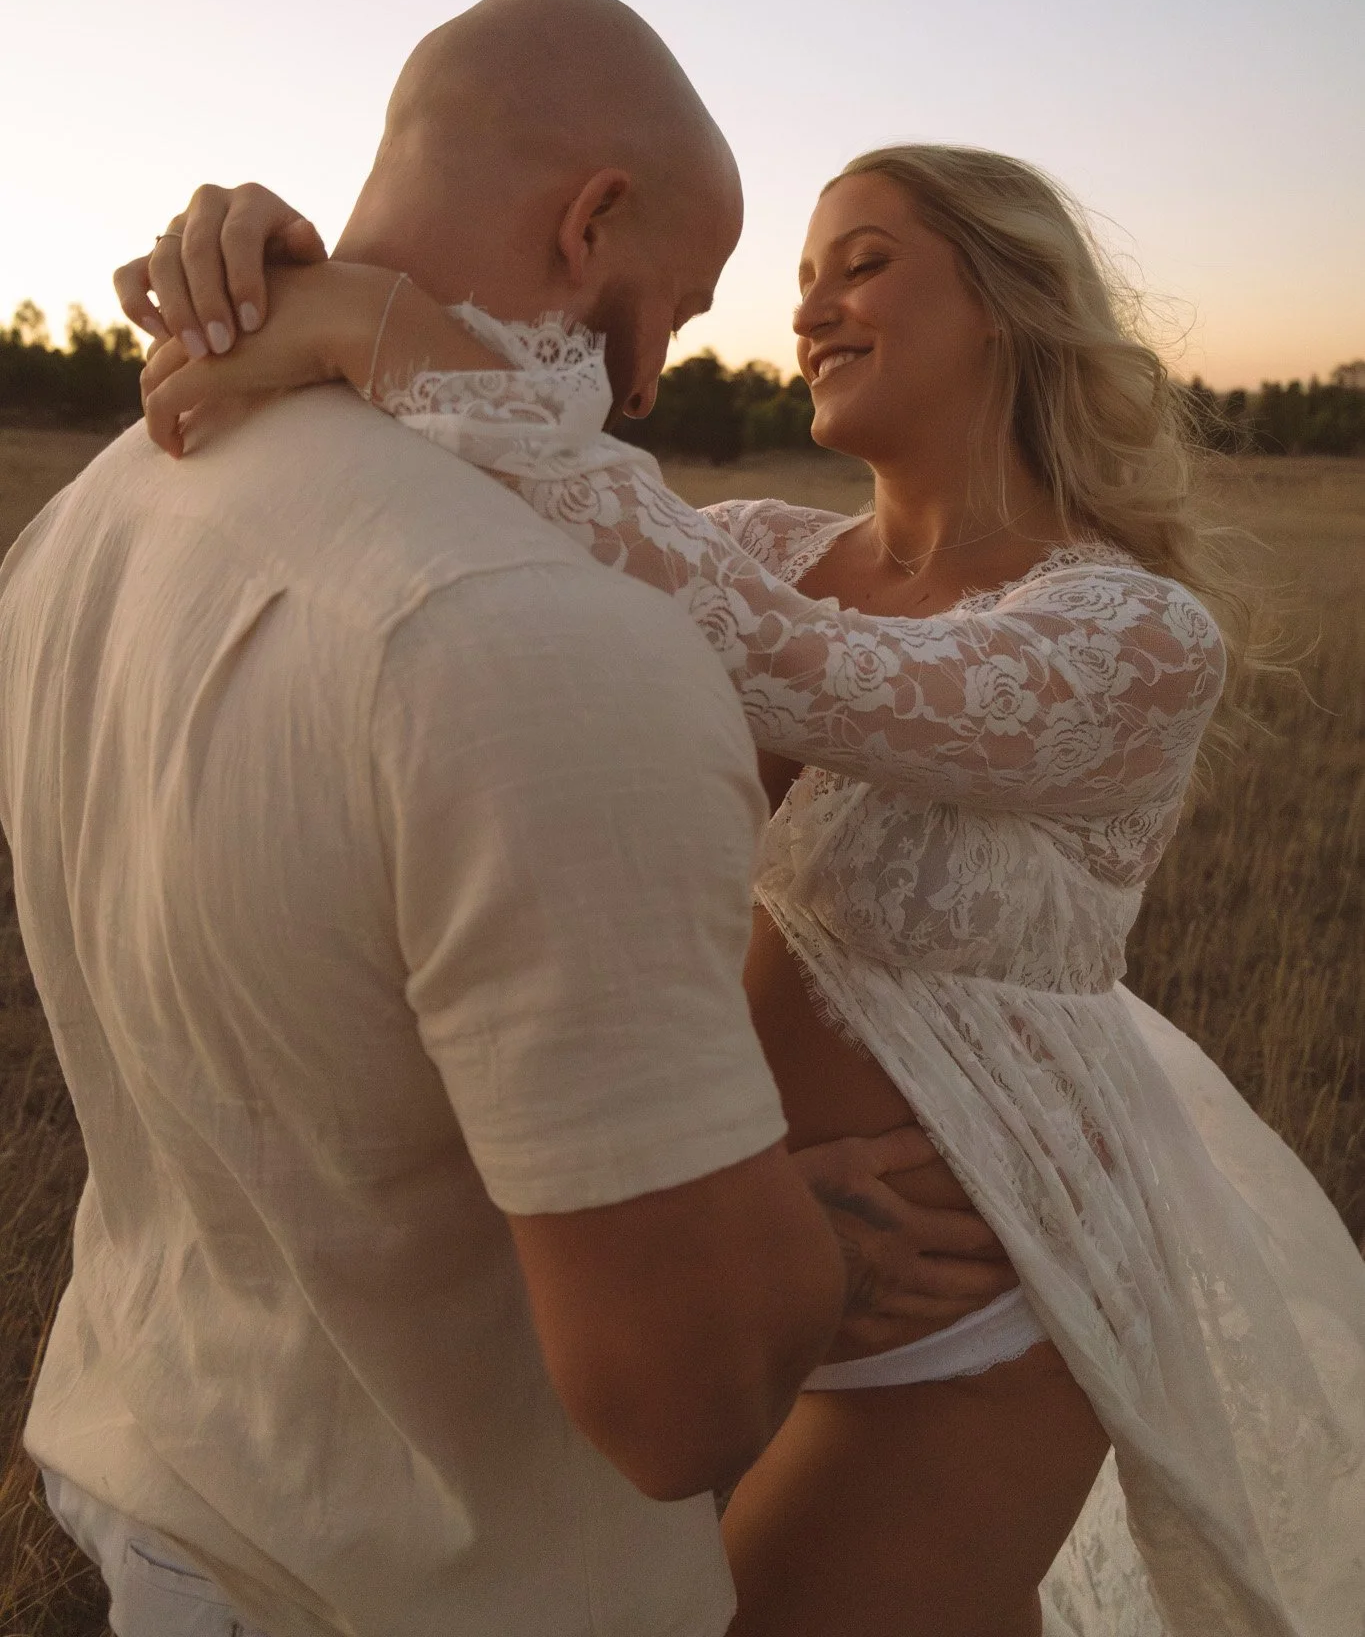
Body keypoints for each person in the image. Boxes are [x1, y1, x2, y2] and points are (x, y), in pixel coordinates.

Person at [133, 129, 1365, 1635]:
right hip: (733, 1278)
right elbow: (487, 521)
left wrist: (387, 327)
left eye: (865, 264)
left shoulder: (1137, 638)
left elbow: (797, 669)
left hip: (976, 1308)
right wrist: (293, 276)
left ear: (1010, 305)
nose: (809, 308)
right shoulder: (756, 545)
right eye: (802, 276)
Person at [0, 0, 1013, 1637]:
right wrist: (819, 1251)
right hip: (415, 1591)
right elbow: (683, 1401)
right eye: (668, 307)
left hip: (166, 1480)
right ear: (590, 220)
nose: (649, 382)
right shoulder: (550, 648)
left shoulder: (101, 506)